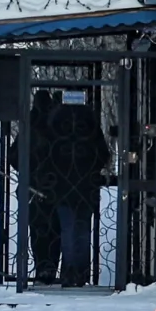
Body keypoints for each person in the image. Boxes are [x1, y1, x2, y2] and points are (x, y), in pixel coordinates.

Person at [48, 96, 111, 287]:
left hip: (62, 188)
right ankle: (81, 274)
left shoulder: (57, 127)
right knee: (82, 231)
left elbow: (47, 156)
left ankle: (69, 272)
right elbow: (103, 155)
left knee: (67, 230)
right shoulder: (91, 130)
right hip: (86, 188)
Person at [17, 91, 62, 282]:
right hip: (59, 186)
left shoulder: (30, 123)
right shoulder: (60, 123)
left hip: (33, 187)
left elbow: (14, 154)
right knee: (56, 230)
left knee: (37, 230)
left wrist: (28, 170)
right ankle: (52, 267)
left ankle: (41, 267)